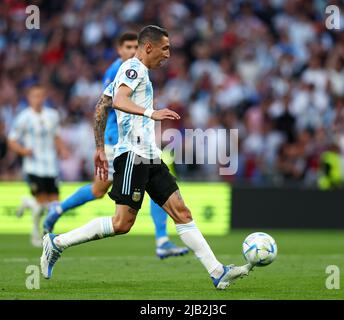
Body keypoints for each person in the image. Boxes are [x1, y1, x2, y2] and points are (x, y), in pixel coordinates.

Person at [40, 25, 252, 289]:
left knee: (182, 212)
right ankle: (57, 242)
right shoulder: (134, 69)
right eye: (165, 48)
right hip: (132, 155)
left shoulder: (133, 71)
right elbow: (118, 100)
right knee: (121, 223)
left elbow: (102, 105)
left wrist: (98, 147)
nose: (168, 54)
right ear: (149, 47)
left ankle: (217, 271)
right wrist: (151, 113)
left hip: (149, 155)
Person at [42, 32, 188, 259]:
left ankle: (162, 240)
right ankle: (58, 211)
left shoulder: (139, 68)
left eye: (133, 46)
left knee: (155, 182)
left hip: (136, 141)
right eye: (127, 47)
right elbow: (108, 104)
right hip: (117, 140)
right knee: (99, 190)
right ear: (119, 49)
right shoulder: (119, 70)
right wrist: (101, 145)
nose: (131, 51)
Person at [8, 85, 67, 247]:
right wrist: (23, 150)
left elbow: (56, 136)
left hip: (51, 166)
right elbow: (12, 140)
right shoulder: (24, 117)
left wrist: (63, 149)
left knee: (54, 205)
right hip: (33, 166)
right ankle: (37, 235)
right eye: (35, 96)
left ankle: (27, 203)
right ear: (29, 98)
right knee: (41, 204)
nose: (38, 99)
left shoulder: (53, 115)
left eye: (41, 95)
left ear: (45, 96)